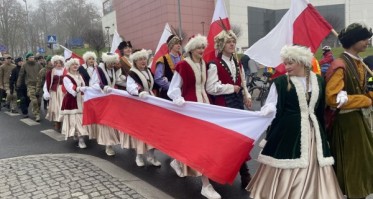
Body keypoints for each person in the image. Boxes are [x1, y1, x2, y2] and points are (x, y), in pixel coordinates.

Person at [247, 45, 343, 199]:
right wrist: (269, 109)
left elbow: (321, 107)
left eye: (290, 63)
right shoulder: (280, 82)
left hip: (313, 131)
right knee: (287, 162)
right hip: (288, 132)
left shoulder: (318, 80)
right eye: (285, 63)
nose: (286, 67)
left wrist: (339, 97)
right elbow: (272, 103)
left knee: (316, 164)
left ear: (302, 62)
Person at [167, 34, 221, 199]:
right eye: (199, 47)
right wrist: (178, 98)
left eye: (203, 47)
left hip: (204, 107)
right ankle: (205, 184)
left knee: (202, 143)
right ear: (191, 49)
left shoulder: (205, 64)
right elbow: (173, 88)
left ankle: (178, 162)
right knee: (199, 144)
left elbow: (207, 86)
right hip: (190, 108)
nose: (202, 50)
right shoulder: (183, 65)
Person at [325, 22, 373, 199]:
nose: (367, 42)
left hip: (358, 120)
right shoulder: (340, 64)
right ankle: (355, 194)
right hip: (346, 124)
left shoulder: (359, 63)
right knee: (354, 164)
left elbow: (364, 87)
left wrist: (370, 94)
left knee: (364, 160)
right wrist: (364, 100)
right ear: (354, 41)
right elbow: (333, 97)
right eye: (364, 39)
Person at [206, 30, 253, 189]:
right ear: (221, 45)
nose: (232, 44)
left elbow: (243, 82)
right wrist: (230, 88)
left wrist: (247, 96)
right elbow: (211, 88)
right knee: (224, 141)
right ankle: (216, 173)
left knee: (238, 140)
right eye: (228, 42)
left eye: (233, 41)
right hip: (223, 105)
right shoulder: (214, 64)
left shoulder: (237, 62)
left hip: (237, 104)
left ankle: (244, 174)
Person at [126, 49, 161, 167]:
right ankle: (139, 156)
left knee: (152, 130)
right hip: (139, 103)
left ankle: (151, 155)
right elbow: (131, 87)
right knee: (141, 131)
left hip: (150, 102)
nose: (143, 61)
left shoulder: (149, 71)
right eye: (140, 59)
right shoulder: (132, 73)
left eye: (144, 59)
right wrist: (139, 91)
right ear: (135, 61)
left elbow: (154, 84)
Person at [90, 52, 122, 156]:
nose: (112, 65)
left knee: (112, 121)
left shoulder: (112, 69)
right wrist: (103, 87)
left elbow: (114, 81)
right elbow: (93, 84)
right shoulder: (98, 69)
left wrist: (123, 80)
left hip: (111, 99)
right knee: (105, 122)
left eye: (113, 63)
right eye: (110, 63)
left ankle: (111, 142)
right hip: (102, 99)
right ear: (106, 61)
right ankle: (108, 145)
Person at [61, 58, 88, 148]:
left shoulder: (80, 76)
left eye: (76, 64)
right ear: (69, 66)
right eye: (73, 64)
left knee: (81, 120)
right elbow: (70, 89)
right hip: (72, 101)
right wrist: (78, 89)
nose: (75, 66)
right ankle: (81, 140)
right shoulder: (66, 77)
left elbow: (84, 86)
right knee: (76, 121)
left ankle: (80, 136)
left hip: (81, 99)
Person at [154, 34, 183, 100]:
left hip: (182, 93)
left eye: (179, 43)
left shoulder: (183, 59)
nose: (179, 45)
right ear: (171, 45)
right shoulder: (162, 59)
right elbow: (158, 78)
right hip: (167, 94)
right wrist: (172, 87)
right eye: (176, 43)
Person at [17, 52, 43, 122]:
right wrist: (18, 84)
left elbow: (43, 73)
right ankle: (37, 115)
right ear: (27, 58)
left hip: (38, 85)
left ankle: (35, 110)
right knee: (34, 100)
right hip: (30, 85)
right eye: (30, 57)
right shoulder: (24, 65)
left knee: (39, 101)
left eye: (33, 57)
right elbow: (21, 75)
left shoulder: (38, 65)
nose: (32, 58)